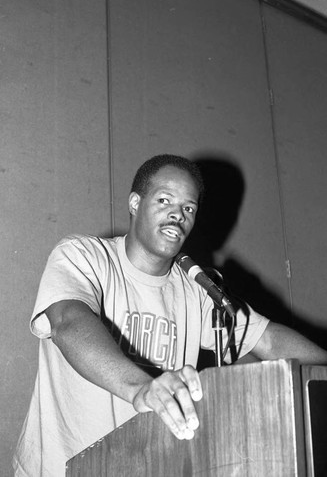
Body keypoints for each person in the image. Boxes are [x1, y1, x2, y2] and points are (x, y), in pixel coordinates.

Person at [13, 154, 327, 476]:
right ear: (135, 203)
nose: (177, 214)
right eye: (165, 200)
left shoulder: (198, 290)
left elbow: (270, 342)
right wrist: (141, 390)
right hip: (58, 467)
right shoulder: (83, 256)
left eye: (188, 208)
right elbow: (68, 322)